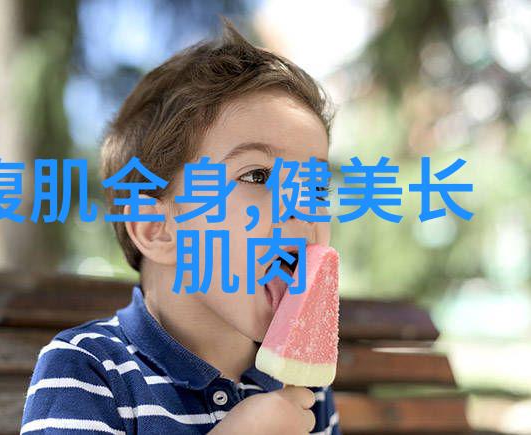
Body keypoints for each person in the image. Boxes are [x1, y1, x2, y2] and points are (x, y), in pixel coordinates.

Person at [20, 16, 340, 435]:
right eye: (258, 175)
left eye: (316, 187)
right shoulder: (88, 368)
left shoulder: (305, 383)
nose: (302, 208)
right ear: (156, 229)